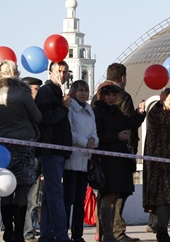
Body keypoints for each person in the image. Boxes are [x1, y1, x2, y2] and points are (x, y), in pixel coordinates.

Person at [93, 63, 146, 242]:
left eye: (113, 95)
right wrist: (116, 136)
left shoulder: (116, 112)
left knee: (115, 194)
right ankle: (107, 233)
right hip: (107, 158)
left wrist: (140, 113)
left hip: (119, 158)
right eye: (108, 95)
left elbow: (129, 123)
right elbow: (99, 134)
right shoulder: (98, 112)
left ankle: (107, 232)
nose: (111, 98)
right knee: (107, 195)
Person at [0, 60, 42, 242]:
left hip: (2, 146)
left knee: (6, 187)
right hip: (23, 143)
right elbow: (37, 116)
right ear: (16, 73)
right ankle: (19, 231)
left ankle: (8, 230)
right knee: (22, 188)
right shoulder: (23, 91)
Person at [35, 60, 73, 242]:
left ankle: (46, 234)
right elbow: (45, 118)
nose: (63, 75)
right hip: (51, 149)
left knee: (51, 193)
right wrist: (63, 108)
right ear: (50, 72)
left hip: (58, 150)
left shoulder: (58, 92)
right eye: (60, 71)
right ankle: (59, 233)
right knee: (55, 193)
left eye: (66, 71)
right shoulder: (46, 91)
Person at [143, 88, 170, 242]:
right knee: (163, 199)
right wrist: (159, 104)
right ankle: (161, 230)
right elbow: (153, 116)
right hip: (160, 167)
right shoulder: (159, 113)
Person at [64, 80, 99, 242]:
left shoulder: (90, 111)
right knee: (67, 199)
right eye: (80, 90)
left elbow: (94, 132)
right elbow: (69, 132)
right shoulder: (71, 108)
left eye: (86, 90)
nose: (84, 93)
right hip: (71, 161)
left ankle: (78, 235)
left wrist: (93, 141)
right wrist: (85, 142)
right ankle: (63, 231)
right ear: (74, 92)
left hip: (85, 162)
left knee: (79, 201)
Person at [20, 77, 43, 242]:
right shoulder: (21, 109)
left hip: (37, 156)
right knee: (25, 197)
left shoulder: (39, 108)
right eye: (35, 89)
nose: (37, 92)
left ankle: (29, 229)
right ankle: (26, 231)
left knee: (34, 198)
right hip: (23, 156)